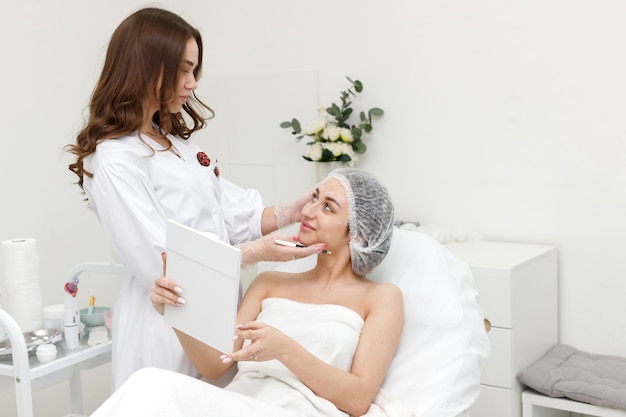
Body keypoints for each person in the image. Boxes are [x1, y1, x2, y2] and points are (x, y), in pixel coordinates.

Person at [64, 7, 325, 390]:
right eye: (184, 70)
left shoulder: (177, 145)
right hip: (166, 322)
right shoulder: (113, 160)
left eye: (194, 71)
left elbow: (234, 214)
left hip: (218, 310)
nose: (192, 84)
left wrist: (293, 210)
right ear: (149, 67)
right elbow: (164, 262)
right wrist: (253, 254)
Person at [91, 168, 403, 417]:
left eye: (328, 207)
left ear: (358, 234)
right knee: (149, 385)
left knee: (152, 386)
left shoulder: (380, 298)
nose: (308, 211)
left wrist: (283, 349)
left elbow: (359, 399)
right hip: (237, 404)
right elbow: (215, 366)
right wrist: (172, 309)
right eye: (315, 198)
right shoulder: (269, 283)